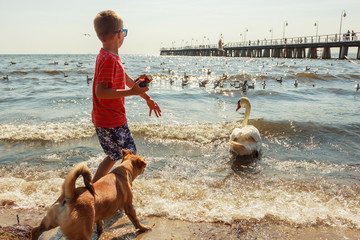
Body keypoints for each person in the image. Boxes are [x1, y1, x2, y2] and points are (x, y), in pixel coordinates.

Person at [92, 10, 161, 182]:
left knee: (114, 155)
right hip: (113, 119)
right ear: (118, 35)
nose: (124, 36)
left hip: (103, 119)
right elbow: (100, 92)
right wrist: (132, 92)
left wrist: (147, 98)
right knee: (130, 153)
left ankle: (94, 187)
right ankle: (121, 187)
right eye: (125, 32)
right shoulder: (109, 60)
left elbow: (128, 80)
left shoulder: (108, 56)